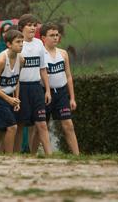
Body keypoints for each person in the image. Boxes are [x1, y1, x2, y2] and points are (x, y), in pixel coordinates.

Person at [14, 14, 52, 156]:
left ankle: (48, 156)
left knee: (41, 123)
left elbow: (43, 68)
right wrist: (15, 96)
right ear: (21, 27)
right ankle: (16, 155)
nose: (32, 28)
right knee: (20, 125)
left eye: (34, 25)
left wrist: (47, 90)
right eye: (29, 25)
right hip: (21, 88)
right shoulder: (18, 44)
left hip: (36, 87)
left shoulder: (39, 43)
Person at [41, 23, 79, 155]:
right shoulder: (41, 54)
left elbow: (68, 76)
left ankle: (77, 155)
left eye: (57, 35)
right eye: (51, 35)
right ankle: (39, 154)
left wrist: (72, 98)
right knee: (40, 126)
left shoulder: (63, 53)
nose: (55, 38)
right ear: (43, 38)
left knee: (68, 124)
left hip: (61, 93)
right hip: (45, 93)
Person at [0, 29, 24, 153]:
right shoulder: (2, 60)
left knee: (1, 128)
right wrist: (9, 99)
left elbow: (16, 80)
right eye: (18, 42)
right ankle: (9, 157)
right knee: (12, 126)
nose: (21, 44)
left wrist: (17, 99)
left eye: (22, 41)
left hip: (9, 95)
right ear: (9, 44)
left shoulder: (21, 59)